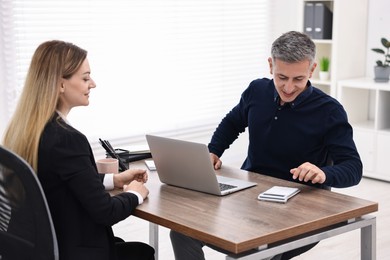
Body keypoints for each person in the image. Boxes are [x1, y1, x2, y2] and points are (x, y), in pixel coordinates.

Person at [170, 31, 363, 260]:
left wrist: (323, 173)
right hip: (249, 196)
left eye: (298, 79)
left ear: (311, 70)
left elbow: (353, 168)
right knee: (182, 232)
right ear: (271, 65)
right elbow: (233, 122)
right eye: (282, 77)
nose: (289, 87)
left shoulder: (329, 110)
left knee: (250, 253)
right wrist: (214, 151)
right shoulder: (257, 91)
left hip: (298, 209)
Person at [2, 40, 155, 260]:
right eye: (85, 78)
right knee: (141, 253)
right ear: (60, 84)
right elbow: (105, 212)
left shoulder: (26, 130)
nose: (92, 84)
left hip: (38, 248)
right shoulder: (67, 139)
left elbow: (58, 180)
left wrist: (114, 180)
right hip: (70, 249)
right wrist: (134, 194)